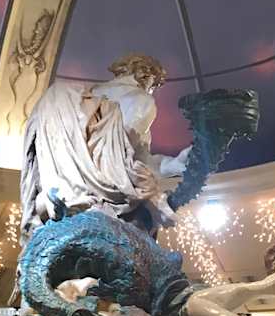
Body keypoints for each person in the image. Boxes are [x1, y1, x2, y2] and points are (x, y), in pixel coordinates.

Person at [19, 53, 191, 238]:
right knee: (148, 210)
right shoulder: (141, 100)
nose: (152, 90)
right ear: (146, 76)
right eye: (154, 85)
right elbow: (126, 159)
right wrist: (173, 168)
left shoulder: (78, 97)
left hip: (59, 194)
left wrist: (172, 165)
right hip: (106, 195)